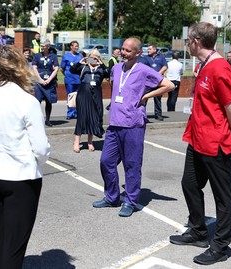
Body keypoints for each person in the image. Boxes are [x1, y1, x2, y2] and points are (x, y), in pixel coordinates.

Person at [169, 22, 231, 265]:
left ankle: (220, 246)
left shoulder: (219, 69)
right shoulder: (205, 65)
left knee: (222, 197)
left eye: (188, 40)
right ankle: (199, 232)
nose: (187, 43)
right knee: (189, 184)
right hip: (197, 140)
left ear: (196, 42)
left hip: (216, 143)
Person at [0, 45, 50, 269]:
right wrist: (34, 161)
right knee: (15, 244)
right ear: (19, 68)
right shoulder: (28, 101)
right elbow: (41, 148)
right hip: (21, 178)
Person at [92, 38, 174, 217]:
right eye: (122, 49)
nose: (123, 53)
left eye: (128, 51)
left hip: (133, 125)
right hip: (114, 124)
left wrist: (146, 96)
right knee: (106, 161)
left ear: (138, 53)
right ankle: (112, 197)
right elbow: (115, 86)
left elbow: (169, 85)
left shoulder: (144, 70)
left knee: (132, 164)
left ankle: (130, 200)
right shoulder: (116, 68)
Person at [70, 49, 109, 153]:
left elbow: (109, 73)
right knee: (82, 117)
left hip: (96, 94)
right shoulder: (83, 67)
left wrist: (102, 64)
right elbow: (72, 70)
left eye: (95, 58)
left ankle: (90, 142)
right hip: (83, 94)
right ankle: (77, 142)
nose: (93, 60)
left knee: (93, 117)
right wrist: (81, 61)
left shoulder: (101, 68)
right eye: (91, 57)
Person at [32, 39, 59, 127]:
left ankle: (47, 120)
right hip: (39, 82)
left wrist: (49, 80)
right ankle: (36, 120)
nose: (42, 48)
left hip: (49, 82)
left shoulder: (53, 56)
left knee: (49, 101)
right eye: (41, 46)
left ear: (48, 47)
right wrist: (40, 80)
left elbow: (56, 69)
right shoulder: (37, 56)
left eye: (44, 46)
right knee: (37, 101)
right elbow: (34, 68)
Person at [61, 40, 83, 120]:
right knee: (70, 96)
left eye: (77, 46)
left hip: (78, 79)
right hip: (69, 79)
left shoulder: (80, 56)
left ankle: (77, 113)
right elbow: (62, 68)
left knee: (77, 96)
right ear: (71, 47)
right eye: (75, 46)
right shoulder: (66, 56)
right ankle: (70, 113)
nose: (76, 48)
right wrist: (67, 75)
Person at [145, 44, 168, 121]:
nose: (148, 50)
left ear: (154, 50)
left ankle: (158, 114)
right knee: (145, 97)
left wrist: (157, 74)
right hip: (148, 81)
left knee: (157, 98)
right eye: (148, 49)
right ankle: (142, 115)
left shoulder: (161, 58)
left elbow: (165, 66)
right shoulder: (145, 58)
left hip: (158, 81)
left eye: (150, 49)